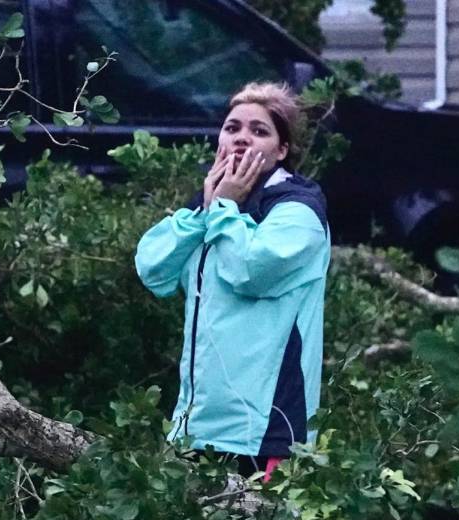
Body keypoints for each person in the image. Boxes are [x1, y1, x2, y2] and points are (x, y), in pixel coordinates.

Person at [134, 82, 330, 480]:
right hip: (198, 425)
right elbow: (153, 269)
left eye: (259, 131)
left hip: (266, 431)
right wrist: (206, 212)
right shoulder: (212, 206)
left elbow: (249, 271)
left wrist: (223, 207)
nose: (242, 137)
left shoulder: (298, 211)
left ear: (281, 150)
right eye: (232, 127)